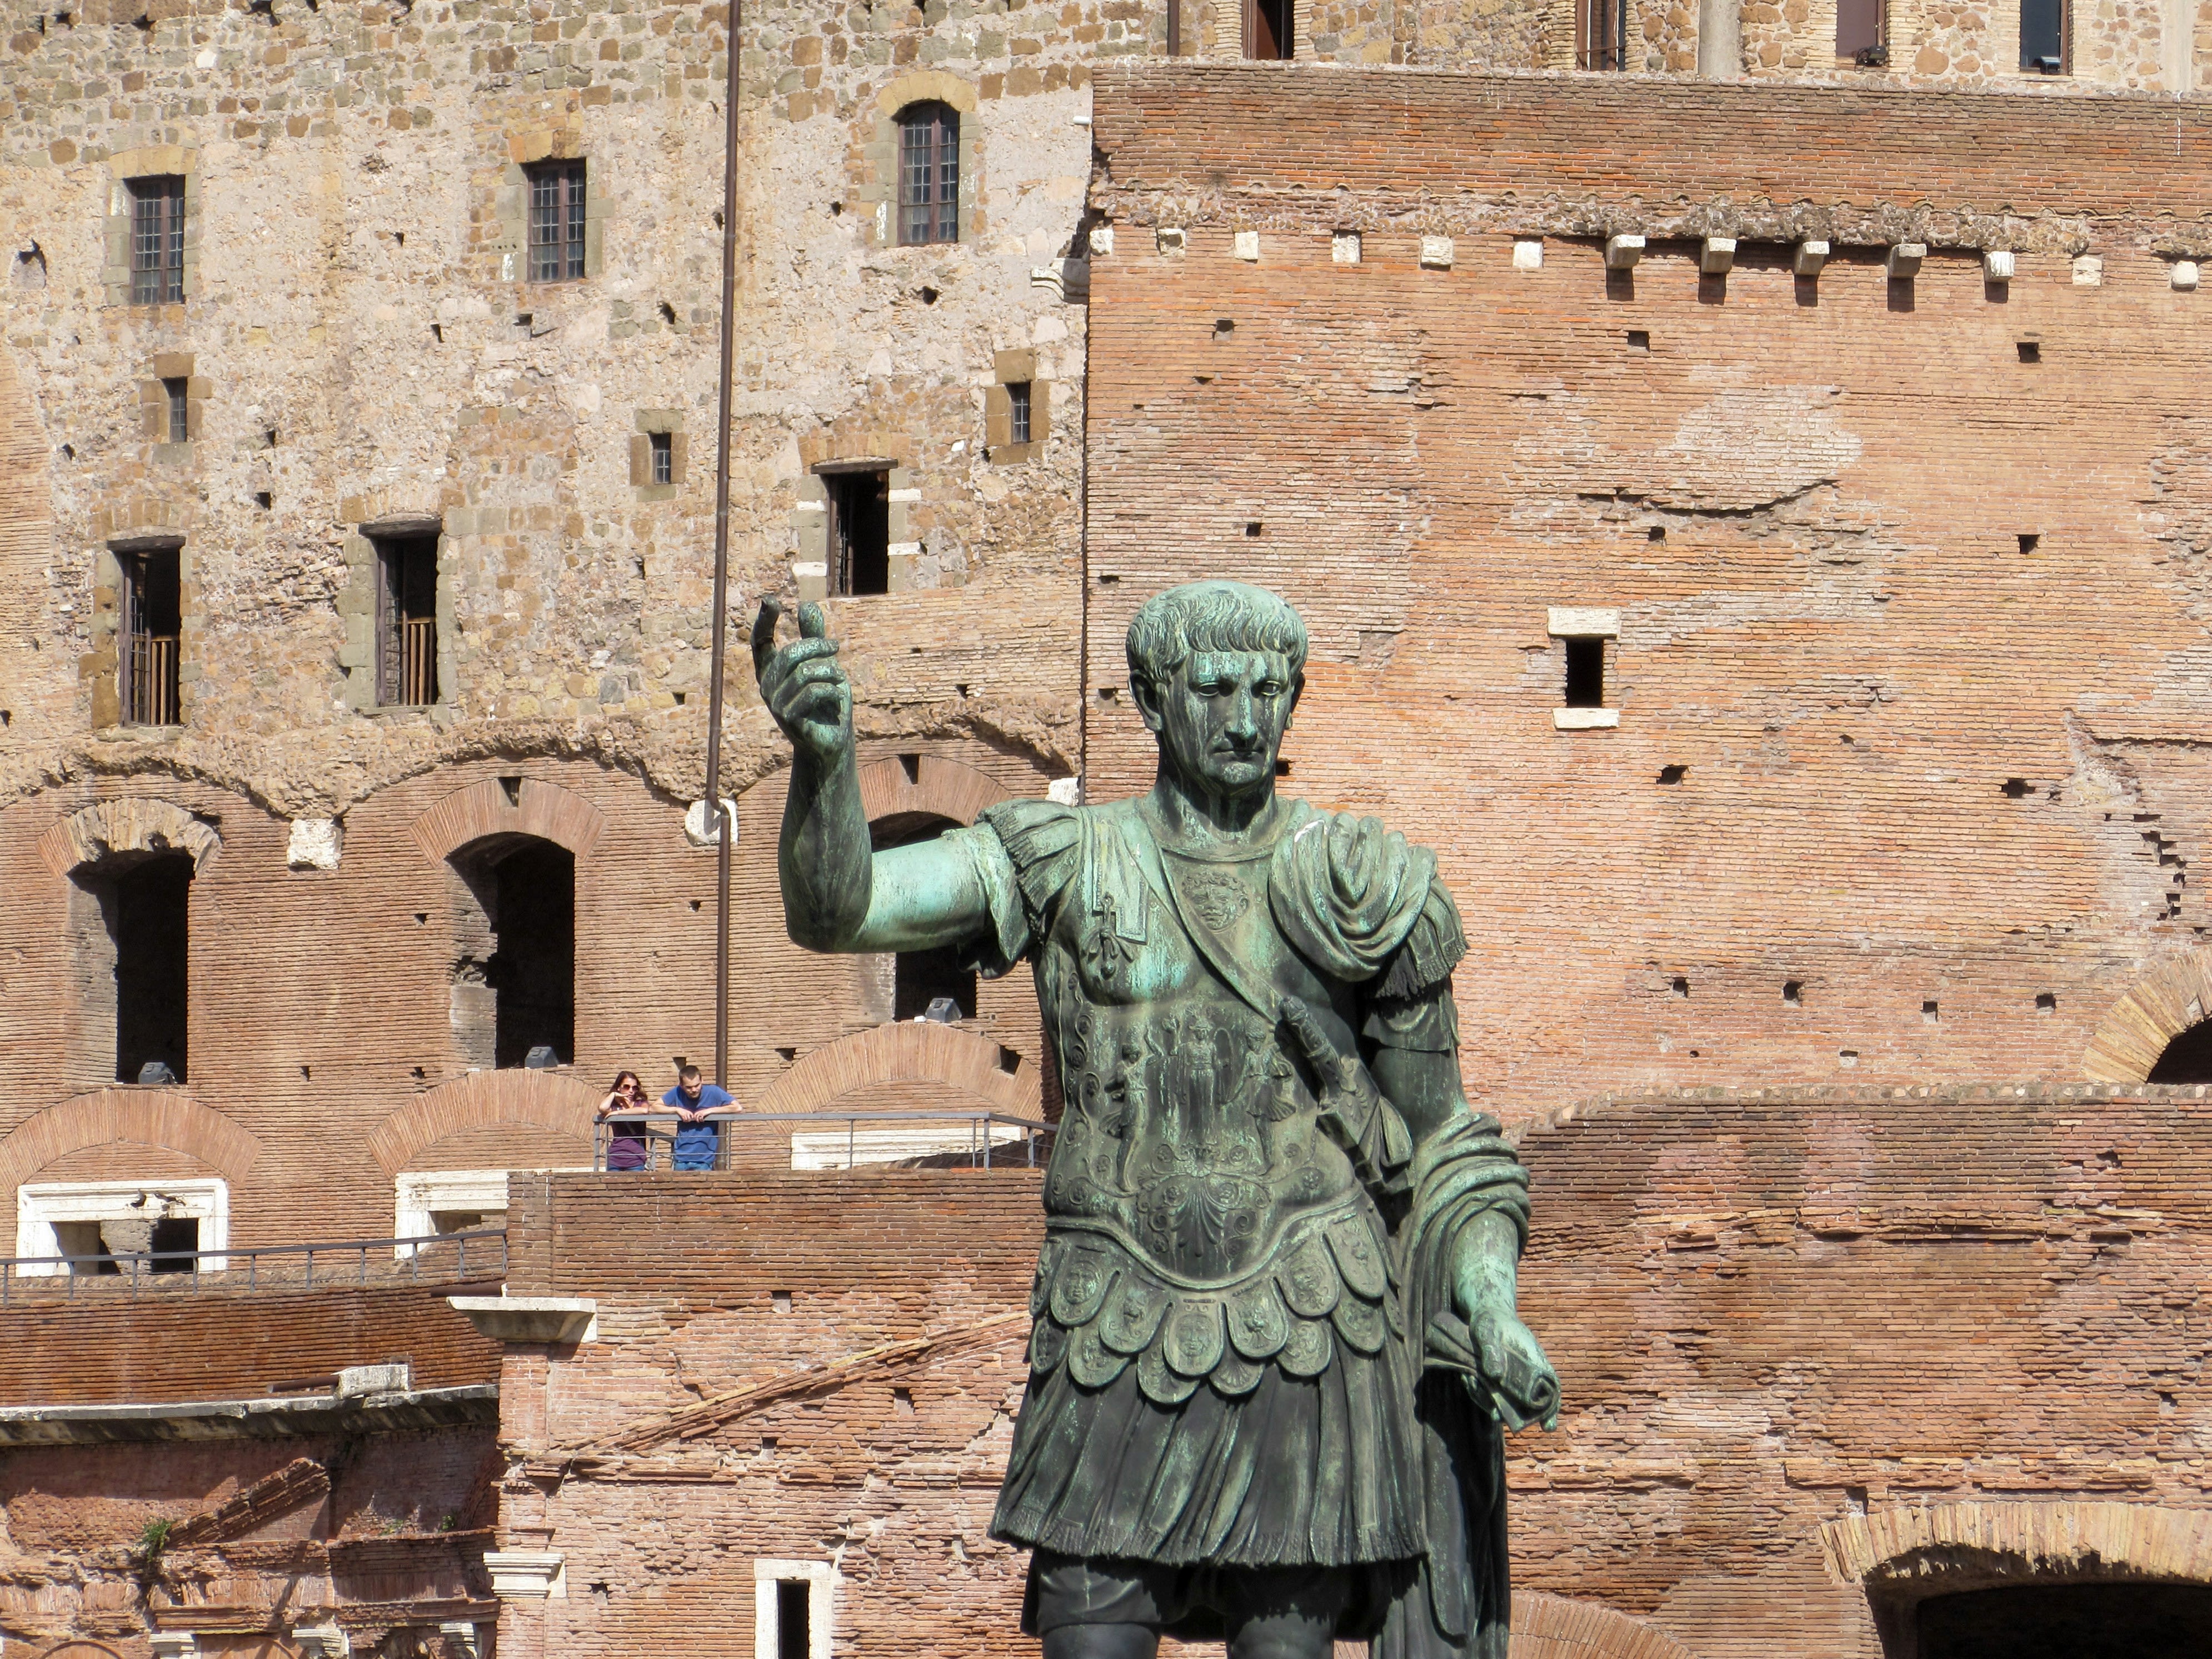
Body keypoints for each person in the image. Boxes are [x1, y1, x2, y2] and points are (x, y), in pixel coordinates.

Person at [755, 583, 1557, 1659]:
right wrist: (823, 762)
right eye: (1214, 689)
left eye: (1267, 692)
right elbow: (840, 909)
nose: (1243, 718)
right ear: (1149, 697)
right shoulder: (1062, 860)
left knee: (1286, 1646)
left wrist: (1493, 1308)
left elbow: (1447, 1146)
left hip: (1309, 1316)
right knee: (1089, 1636)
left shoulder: (1365, 886)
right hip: (1109, 1320)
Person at [663, 1064, 735, 1172]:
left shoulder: (713, 1091)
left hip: (705, 1160)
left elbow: (737, 1107)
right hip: (681, 1158)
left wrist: (710, 1110)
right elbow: (654, 1107)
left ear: (702, 1081)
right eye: (689, 1087)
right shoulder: (677, 1092)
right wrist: (677, 1110)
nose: (694, 1090)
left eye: (697, 1085)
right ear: (681, 1086)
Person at [595, 1070, 652, 1171]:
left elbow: (644, 1110)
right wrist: (613, 1095)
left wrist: (618, 1113)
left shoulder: (641, 1103)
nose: (631, 1091)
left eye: (635, 1088)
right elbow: (602, 1108)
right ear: (619, 1088)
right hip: (615, 1157)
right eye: (627, 1087)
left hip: (636, 1158)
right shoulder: (614, 1106)